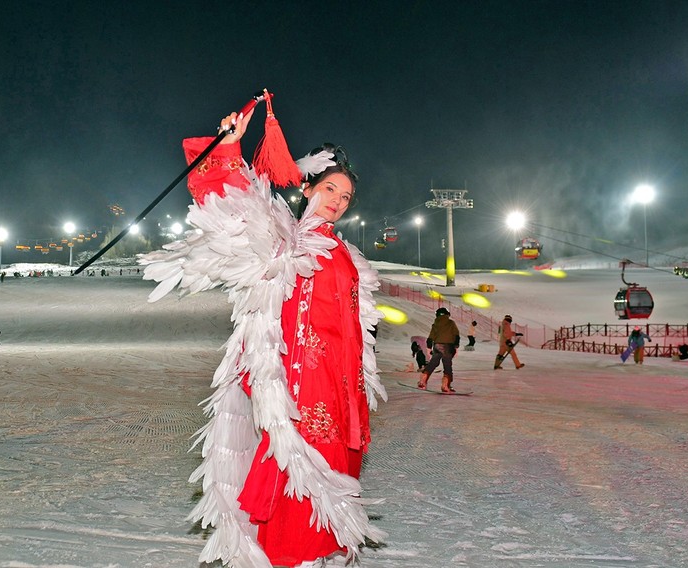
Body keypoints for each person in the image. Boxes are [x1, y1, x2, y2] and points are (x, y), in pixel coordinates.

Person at [139, 107, 385, 566]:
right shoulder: (282, 239)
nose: (337, 200)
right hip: (294, 385)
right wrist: (230, 144)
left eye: (346, 196)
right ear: (307, 188)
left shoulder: (348, 255)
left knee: (334, 476)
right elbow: (234, 207)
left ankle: (320, 556)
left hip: (340, 388)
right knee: (298, 474)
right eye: (329, 188)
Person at [418, 307, 461, 392]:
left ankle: (423, 380)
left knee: (433, 363)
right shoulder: (451, 323)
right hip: (448, 347)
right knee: (447, 366)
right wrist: (456, 346)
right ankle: (446, 385)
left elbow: (431, 337)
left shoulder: (436, 324)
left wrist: (429, 347)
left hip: (437, 346)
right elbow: (456, 335)